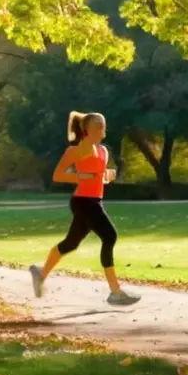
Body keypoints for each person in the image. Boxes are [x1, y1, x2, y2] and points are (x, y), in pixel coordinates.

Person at [28, 111, 141, 306]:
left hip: (94, 199)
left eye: (102, 126)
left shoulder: (103, 151)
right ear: (86, 130)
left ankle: (41, 273)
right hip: (83, 201)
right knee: (109, 236)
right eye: (97, 127)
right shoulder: (75, 151)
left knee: (71, 243)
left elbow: (98, 177)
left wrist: (107, 176)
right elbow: (58, 175)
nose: (101, 130)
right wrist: (81, 177)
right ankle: (115, 292)